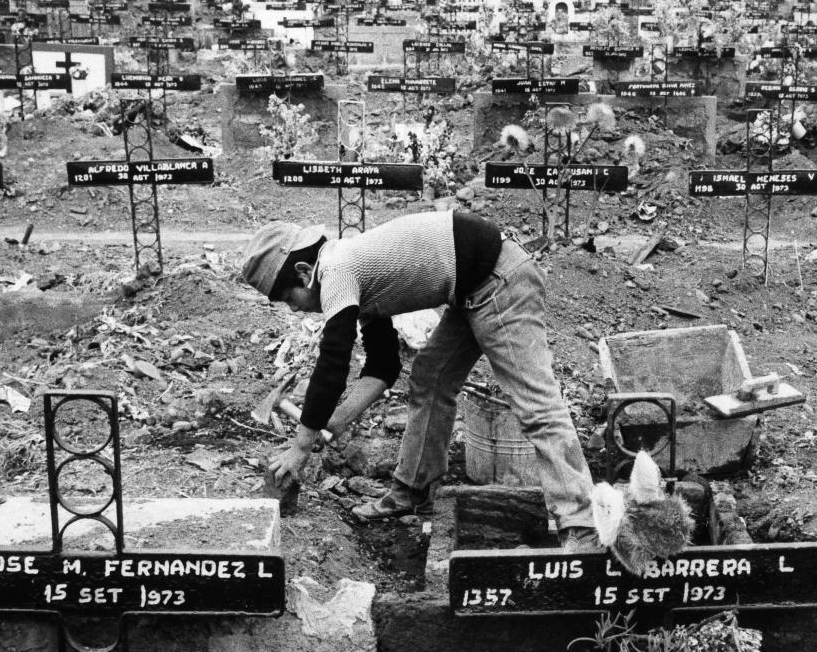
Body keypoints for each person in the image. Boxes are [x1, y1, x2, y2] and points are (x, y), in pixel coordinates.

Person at [240, 213, 601, 550]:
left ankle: (581, 525)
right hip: (472, 285)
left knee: (535, 403)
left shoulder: (336, 271)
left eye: (289, 297)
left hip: (501, 278)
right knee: (430, 377)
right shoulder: (352, 273)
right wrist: (331, 422)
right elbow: (383, 367)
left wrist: (302, 444)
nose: (294, 308)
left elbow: (332, 361)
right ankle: (413, 489)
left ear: (304, 272)